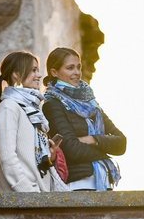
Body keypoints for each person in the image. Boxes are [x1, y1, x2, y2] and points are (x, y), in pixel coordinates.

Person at [42, 47, 127, 191]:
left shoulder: (91, 104)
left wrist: (93, 139)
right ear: (54, 72)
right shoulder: (52, 105)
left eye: (78, 67)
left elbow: (121, 142)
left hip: (104, 181)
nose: (76, 72)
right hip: (78, 184)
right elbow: (71, 150)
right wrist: (104, 152)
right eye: (70, 68)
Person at [0, 51, 58, 192]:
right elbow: (7, 157)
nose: (39, 75)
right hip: (23, 198)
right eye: (33, 70)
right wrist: (27, 192)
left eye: (38, 70)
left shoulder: (32, 110)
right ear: (16, 75)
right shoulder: (9, 107)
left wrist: (49, 155)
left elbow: (28, 158)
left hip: (40, 196)